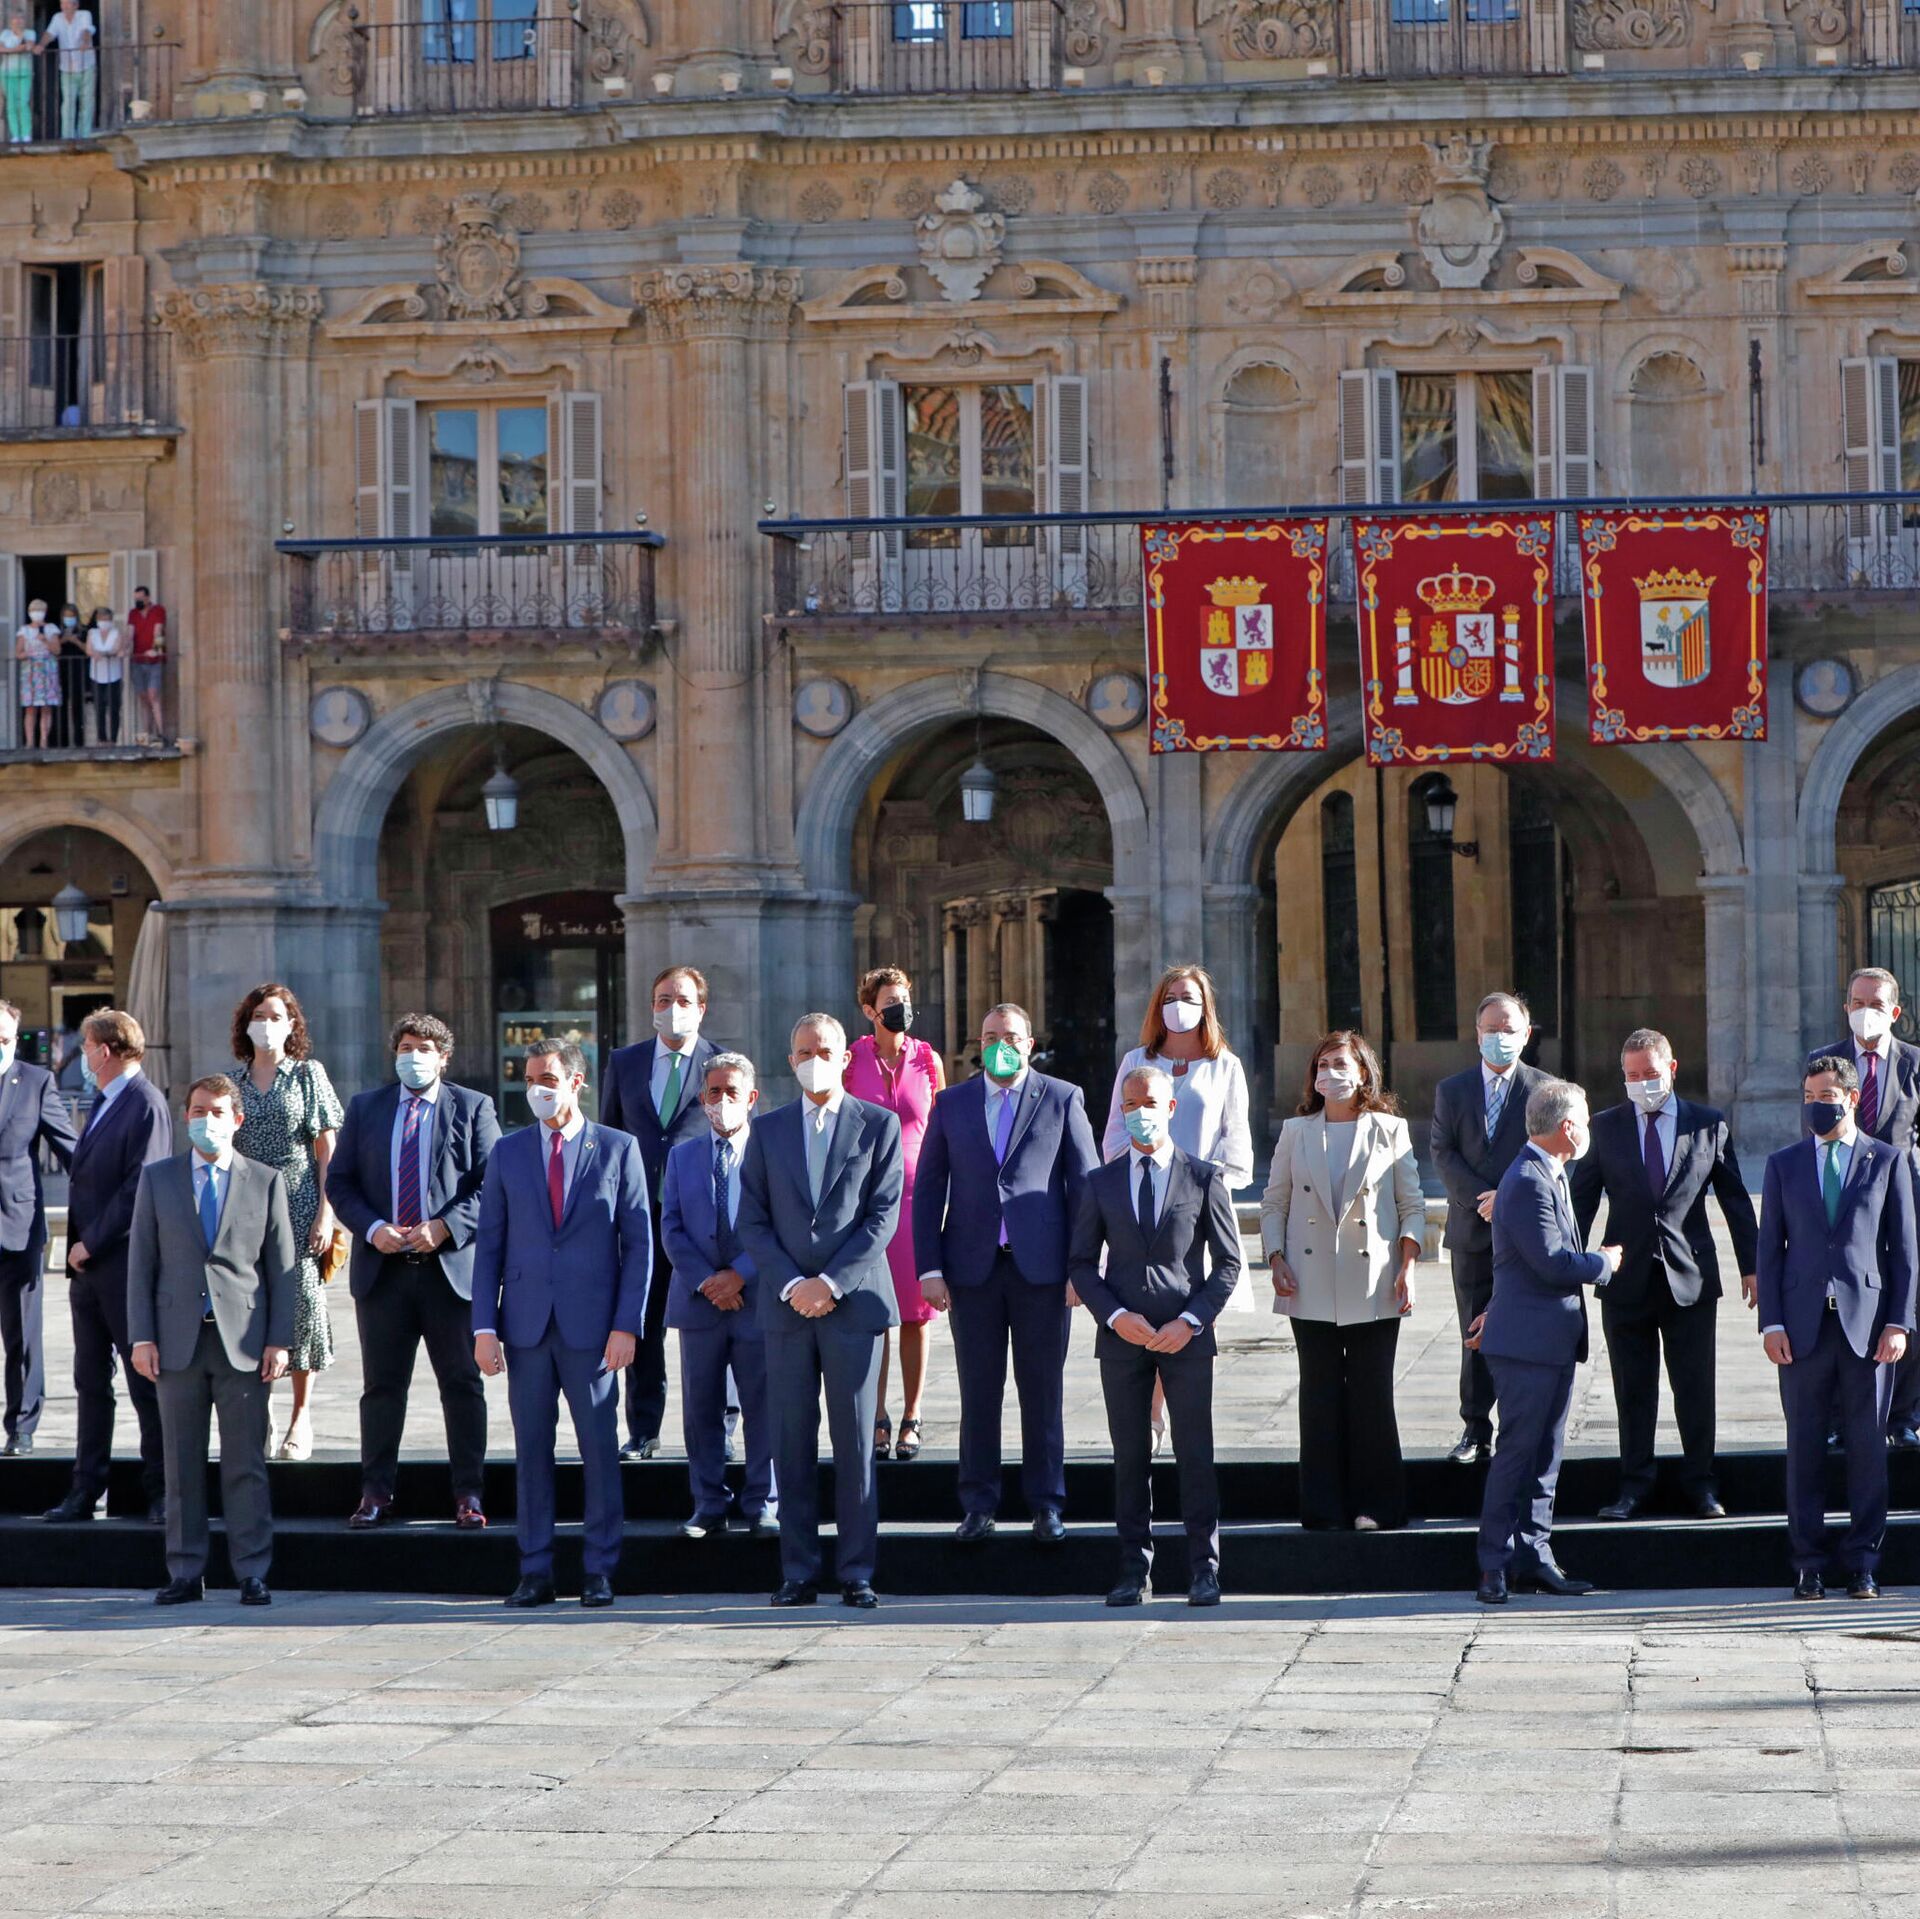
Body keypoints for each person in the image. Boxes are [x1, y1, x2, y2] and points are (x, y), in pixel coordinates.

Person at [472, 1039, 651, 1609]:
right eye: (529, 1080)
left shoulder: (618, 1148)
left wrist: (627, 1325)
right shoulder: (508, 1152)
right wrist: (483, 1327)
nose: (537, 1090)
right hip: (526, 1327)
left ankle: (599, 1570)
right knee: (532, 1452)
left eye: (547, 1079)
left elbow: (639, 1243)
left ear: (577, 1082)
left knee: (599, 1450)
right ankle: (536, 1570)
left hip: (593, 1330)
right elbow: (490, 1244)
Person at [913, 1000, 1098, 1544]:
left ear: (1029, 1045)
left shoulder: (1062, 1098)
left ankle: (1047, 1503)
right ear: (979, 1043)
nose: (1001, 1045)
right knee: (978, 1392)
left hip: (1042, 1271)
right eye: (991, 1036)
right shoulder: (951, 1103)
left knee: (1042, 1392)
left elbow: (1085, 1188)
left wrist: (1082, 1268)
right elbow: (929, 1190)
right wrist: (929, 1268)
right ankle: (978, 1503)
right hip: (972, 1271)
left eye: (1011, 1037)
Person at [736, 1013, 903, 1609]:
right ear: (791, 1061)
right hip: (786, 1310)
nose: (814, 1060)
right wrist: (792, 1285)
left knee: (855, 1444)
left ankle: (857, 1571)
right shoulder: (767, 1130)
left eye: (825, 1050)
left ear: (845, 1058)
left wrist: (830, 1283)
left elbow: (882, 1215)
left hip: (853, 1304)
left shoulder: (878, 1125)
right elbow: (752, 1219)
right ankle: (799, 1571)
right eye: (804, 1051)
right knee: (791, 1441)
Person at [1570, 1027, 1758, 1520]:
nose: (1641, 1083)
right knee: (1632, 1391)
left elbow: (1736, 1199)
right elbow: (1581, 1201)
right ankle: (1634, 1486)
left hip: (1690, 1278)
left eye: (1649, 1074)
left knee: (1695, 1389)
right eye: (1631, 1076)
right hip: (1625, 1277)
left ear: (1671, 1069)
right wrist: (1567, 1265)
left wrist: (1753, 1266)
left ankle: (1701, 1485)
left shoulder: (1707, 1124)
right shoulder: (1604, 1127)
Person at [1072, 1065, 1241, 1606]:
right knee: (1130, 1457)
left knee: (1195, 1453)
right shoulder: (1101, 1182)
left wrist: (1191, 1321)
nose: (1139, 1113)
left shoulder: (1203, 1177)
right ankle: (1133, 1569)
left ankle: (1204, 1568)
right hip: (1123, 1338)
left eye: (1148, 1103)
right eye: (1129, 1105)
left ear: (1170, 1108)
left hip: (1185, 1336)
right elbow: (1080, 1264)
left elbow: (1228, 1263)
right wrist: (1113, 1316)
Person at [325, 1013, 500, 1531]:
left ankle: (468, 1493)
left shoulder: (473, 1107)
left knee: (462, 1385)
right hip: (384, 1273)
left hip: (449, 1274)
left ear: (443, 1057)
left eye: (425, 1048)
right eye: (406, 1047)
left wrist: (445, 1226)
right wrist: (372, 1227)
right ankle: (375, 1493)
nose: (414, 1057)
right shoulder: (367, 1108)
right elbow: (340, 1182)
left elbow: (492, 1183)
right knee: (381, 1388)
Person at [127, 1075, 295, 1607]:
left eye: (218, 1111)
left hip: (242, 1343)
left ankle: (252, 1570)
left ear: (237, 1120)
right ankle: (185, 1569)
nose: (208, 1120)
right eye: (199, 1110)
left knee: (246, 1463)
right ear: (186, 1116)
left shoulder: (265, 1181)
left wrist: (279, 1340)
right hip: (176, 1343)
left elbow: (281, 1270)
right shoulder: (158, 1179)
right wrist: (141, 1336)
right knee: (181, 1463)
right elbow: (141, 1264)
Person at [1759, 1056, 1918, 1601]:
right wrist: (1771, 1322)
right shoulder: (1784, 1164)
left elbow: (1905, 1252)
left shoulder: (1887, 1160)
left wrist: (1899, 1322)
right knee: (1804, 1449)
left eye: (1824, 1096)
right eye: (1808, 1096)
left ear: (1850, 1098)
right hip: (1802, 1330)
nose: (1814, 1106)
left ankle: (1863, 1563)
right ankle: (1808, 1563)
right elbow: (1770, 1250)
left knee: (1868, 1449)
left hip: (1868, 1330)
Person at [1262, 1031, 1423, 1533]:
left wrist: (1408, 1265)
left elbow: (1411, 1205)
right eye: (1322, 1064)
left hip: (1374, 1281)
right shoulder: (1296, 1131)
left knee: (1372, 1394)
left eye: (1340, 1064)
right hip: (1308, 1280)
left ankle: (1378, 1505)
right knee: (1319, 1393)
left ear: (1362, 1072)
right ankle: (1324, 1507)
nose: (1329, 1073)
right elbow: (1275, 1202)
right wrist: (1275, 1256)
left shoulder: (1390, 1130)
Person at [1472, 1080, 1622, 1606]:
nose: (1589, 1129)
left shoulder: (1549, 1172)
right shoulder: (1528, 1180)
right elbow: (1552, 1264)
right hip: (1526, 1346)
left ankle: (1534, 1555)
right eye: (1585, 1120)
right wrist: (1604, 1262)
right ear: (1567, 1127)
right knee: (1518, 1455)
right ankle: (1494, 1564)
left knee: (1545, 1458)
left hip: (1549, 1341)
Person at [1102, 964, 1254, 1451]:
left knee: (1191, 1311)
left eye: (1188, 998)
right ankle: (1148, 1413)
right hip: (1143, 1202)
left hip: (1199, 1209)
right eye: (1170, 997)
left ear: (1205, 1007)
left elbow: (1237, 1145)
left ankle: (1170, 1412)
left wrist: (1201, 1187)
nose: (1178, 1007)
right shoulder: (1136, 1060)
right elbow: (1114, 1138)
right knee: (1145, 1303)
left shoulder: (1225, 1066)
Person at [43, 1010, 173, 1525]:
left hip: (124, 1266)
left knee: (145, 1384)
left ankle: (161, 1490)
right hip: (89, 1272)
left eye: (86, 1046)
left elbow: (141, 1185)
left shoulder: (145, 1103)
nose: (82, 1055)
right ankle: (86, 1487)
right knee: (90, 1382)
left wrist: (90, 1243)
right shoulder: (104, 1101)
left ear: (107, 1050)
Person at [600, 964, 718, 1460]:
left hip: (701, 1221)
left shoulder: (721, 1063)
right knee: (642, 1325)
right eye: (664, 999)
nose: (673, 1009)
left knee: (709, 1327)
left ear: (701, 1009)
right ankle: (643, 1431)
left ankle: (717, 1431)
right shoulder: (625, 1062)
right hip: (640, 1217)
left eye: (684, 1000)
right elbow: (608, 1136)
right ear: (652, 1007)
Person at [1430, 990, 1552, 1467]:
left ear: (1526, 1034)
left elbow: (1551, 1152)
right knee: (1474, 1332)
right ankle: (1475, 1429)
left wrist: (1509, 1198)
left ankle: (1522, 1429)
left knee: (1524, 1331)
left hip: (1525, 1234)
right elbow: (1443, 1152)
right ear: (1477, 1034)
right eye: (1491, 1029)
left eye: (1509, 1029)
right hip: (1471, 1229)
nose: (1499, 1037)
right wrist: (1482, 1197)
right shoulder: (1452, 1090)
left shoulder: (1545, 1089)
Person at [659, 1051, 775, 1539]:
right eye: (713, 1092)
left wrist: (740, 1275)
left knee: (764, 1407)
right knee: (701, 1409)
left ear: (750, 1098)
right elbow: (671, 1227)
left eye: (732, 1092)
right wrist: (708, 1280)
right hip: (699, 1303)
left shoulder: (771, 1152)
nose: (722, 1100)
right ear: (702, 1098)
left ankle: (763, 1502)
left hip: (757, 1300)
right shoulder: (682, 1156)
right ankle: (708, 1503)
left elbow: (780, 1224)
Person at [1807, 968, 1920, 1447]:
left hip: (1903, 1198)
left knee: (1906, 1303)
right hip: (1843, 1200)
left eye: (1874, 1004)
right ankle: (1841, 1420)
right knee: (1842, 1305)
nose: (1864, 1011)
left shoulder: (1914, 1062)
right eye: (1856, 1002)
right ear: (1845, 1007)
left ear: (1894, 1012)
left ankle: (1904, 1417)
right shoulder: (1823, 1060)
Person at [230, 983, 342, 1461]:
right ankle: (262, 1410)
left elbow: (327, 1149)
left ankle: (301, 1415)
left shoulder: (308, 1076)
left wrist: (326, 1212)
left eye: (276, 1016)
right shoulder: (231, 1082)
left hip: (298, 1201)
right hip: (245, 1205)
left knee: (302, 1303)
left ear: (292, 1024)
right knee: (248, 1305)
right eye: (259, 1015)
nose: (267, 1024)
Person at [845, 965, 945, 1461]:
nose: (899, 1008)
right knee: (875, 1312)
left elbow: (942, 1125)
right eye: (889, 1001)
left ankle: (913, 1414)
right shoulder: (852, 1059)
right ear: (870, 1010)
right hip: (867, 1199)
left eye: (904, 998)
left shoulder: (927, 1058)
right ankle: (877, 1413)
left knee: (915, 1313)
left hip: (916, 1196)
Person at [0, 998, 77, 1455]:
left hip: (17, 1226)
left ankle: (22, 1426)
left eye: (4, 1039)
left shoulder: (35, 1082)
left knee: (23, 1337)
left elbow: (71, 1150)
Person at [40, 0, 94, 139]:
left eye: (67, 3)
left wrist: (85, 42)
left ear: (76, 5)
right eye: (62, 3)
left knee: (86, 102)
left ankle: (84, 136)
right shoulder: (57, 18)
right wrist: (41, 45)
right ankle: (68, 137)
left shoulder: (84, 15)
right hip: (67, 67)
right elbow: (50, 33)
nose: (63, 6)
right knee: (68, 104)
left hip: (86, 65)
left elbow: (87, 30)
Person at [14, 599, 57, 751]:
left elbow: (57, 650)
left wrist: (45, 640)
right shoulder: (24, 630)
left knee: (46, 707)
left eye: (40, 610)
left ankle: (44, 741)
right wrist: (28, 653)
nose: (37, 613)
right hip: (30, 673)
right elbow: (18, 653)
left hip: (47, 672)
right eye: (34, 610)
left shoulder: (51, 628)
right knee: (30, 708)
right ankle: (30, 742)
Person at [126, 584, 167, 744]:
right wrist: (123, 648)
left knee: (153, 695)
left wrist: (155, 649)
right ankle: (147, 735)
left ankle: (161, 733)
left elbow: (158, 631)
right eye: (136, 599)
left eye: (140, 599)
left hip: (154, 661)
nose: (138, 602)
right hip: (137, 660)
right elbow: (129, 634)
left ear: (148, 598)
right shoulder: (133, 614)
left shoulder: (158, 610)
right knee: (143, 697)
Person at [85, 606, 123, 745]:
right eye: (101, 619)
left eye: (107, 619)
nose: (104, 622)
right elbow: (89, 649)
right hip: (96, 675)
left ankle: (113, 739)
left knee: (113, 708)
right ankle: (102, 739)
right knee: (99, 708)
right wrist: (96, 653)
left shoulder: (116, 633)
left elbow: (117, 648)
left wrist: (104, 653)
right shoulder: (92, 633)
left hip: (113, 675)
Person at [53, 602, 86, 748]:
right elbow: (54, 649)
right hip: (61, 671)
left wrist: (75, 641)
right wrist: (63, 640)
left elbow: (88, 649)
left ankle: (79, 741)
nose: (69, 619)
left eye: (71, 616)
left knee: (77, 706)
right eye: (66, 616)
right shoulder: (57, 631)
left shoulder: (83, 631)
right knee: (61, 706)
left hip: (77, 671)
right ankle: (62, 741)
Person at [0, 14, 35, 147]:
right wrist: (17, 49)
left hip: (25, 72)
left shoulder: (30, 33)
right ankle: (15, 134)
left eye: (21, 19)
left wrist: (10, 49)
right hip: (7, 73)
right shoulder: (5, 34)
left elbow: (29, 47)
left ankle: (26, 134)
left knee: (23, 103)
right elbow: (0, 49)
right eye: (15, 19)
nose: (18, 21)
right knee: (11, 104)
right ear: (11, 21)